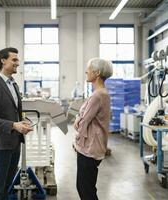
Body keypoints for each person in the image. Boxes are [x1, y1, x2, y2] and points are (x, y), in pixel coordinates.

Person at [0, 47, 33, 200]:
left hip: (15, 143)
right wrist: (14, 125)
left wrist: (21, 122)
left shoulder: (14, 85)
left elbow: (14, 112)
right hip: (2, 144)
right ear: (3, 61)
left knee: (8, 186)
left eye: (17, 60)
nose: (17, 63)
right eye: (14, 60)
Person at [73, 58, 113, 200]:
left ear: (97, 73)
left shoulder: (97, 95)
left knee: (85, 189)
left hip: (89, 148)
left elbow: (81, 123)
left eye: (88, 69)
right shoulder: (103, 93)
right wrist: (80, 117)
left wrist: (77, 121)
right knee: (87, 187)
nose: (86, 71)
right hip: (95, 146)